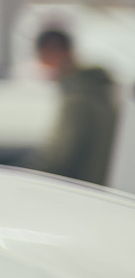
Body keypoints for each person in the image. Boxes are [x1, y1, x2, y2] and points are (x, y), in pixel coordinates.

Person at [24, 26, 119, 185]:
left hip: (81, 191)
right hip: (98, 188)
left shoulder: (78, 98)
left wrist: (20, 174)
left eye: (43, 58)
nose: (43, 66)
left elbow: (59, 159)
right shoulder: (99, 90)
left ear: (54, 52)